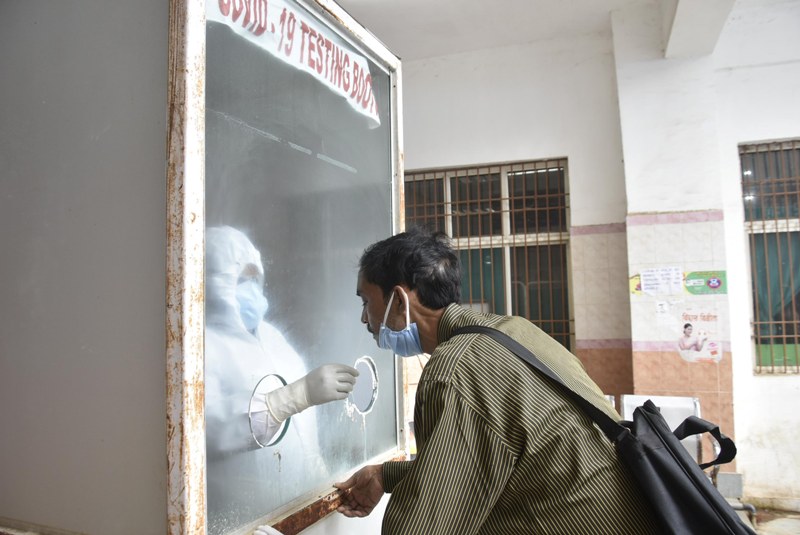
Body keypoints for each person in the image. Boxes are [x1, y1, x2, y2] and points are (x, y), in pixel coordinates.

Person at [335, 227, 660, 534]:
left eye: (366, 301)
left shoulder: (456, 369)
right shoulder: (517, 330)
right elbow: (488, 464)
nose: (365, 318)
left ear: (399, 300)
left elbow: (427, 522)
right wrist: (383, 476)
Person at [205, 226, 358, 533]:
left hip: (296, 507)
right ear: (213, 283)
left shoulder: (272, 337)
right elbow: (209, 428)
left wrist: (321, 479)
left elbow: (304, 430)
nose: (250, 287)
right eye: (240, 279)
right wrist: (294, 397)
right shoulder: (202, 345)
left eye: (254, 277)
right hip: (240, 519)